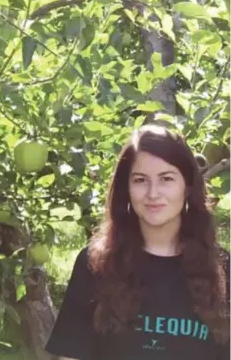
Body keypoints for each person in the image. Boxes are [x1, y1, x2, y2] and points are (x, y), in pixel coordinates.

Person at [45, 124, 230, 360]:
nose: (153, 193)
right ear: (126, 189)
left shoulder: (221, 269)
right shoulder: (96, 263)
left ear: (187, 188)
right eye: (140, 180)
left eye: (166, 178)